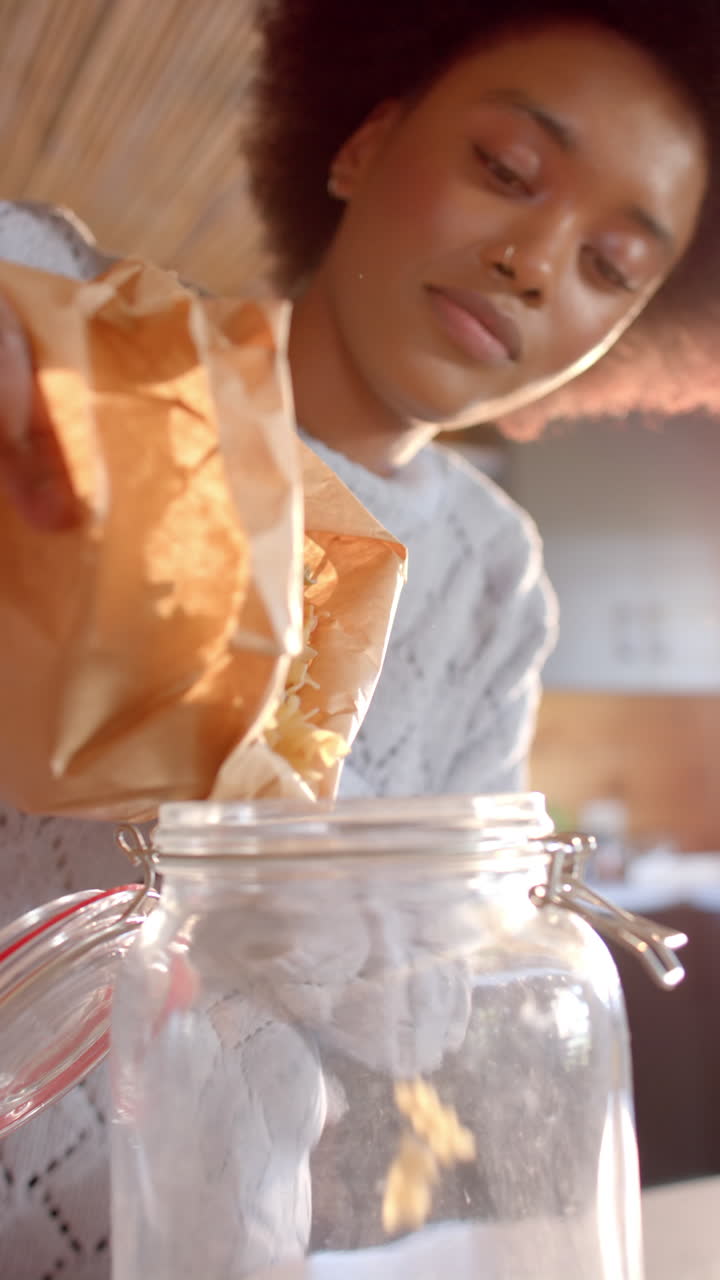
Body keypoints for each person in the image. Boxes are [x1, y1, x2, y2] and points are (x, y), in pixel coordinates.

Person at [0, 1, 719, 1274]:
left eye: (611, 266)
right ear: (361, 144)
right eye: (505, 168)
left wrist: (283, 837)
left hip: (221, 1236)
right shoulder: (103, 340)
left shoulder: (495, 578)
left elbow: (425, 1013)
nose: (536, 261)